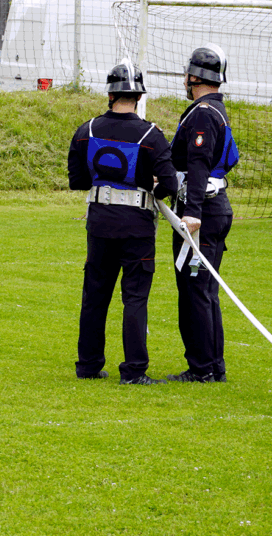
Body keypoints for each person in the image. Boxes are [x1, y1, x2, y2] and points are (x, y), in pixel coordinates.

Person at [67, 62, 179, 385]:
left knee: (95, 295)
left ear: (110, 94)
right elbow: (170, 185)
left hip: (100, 224)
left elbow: (77, 181)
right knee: (135, 297)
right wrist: (152, 188)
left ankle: (88, 365)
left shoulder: (86, 130)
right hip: (137, 227)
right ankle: (133, 371)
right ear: (139, 96)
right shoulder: (151, 135)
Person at [167, 45, 240, 383]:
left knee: (196, 290)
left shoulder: (202, 114)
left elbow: (197, 164)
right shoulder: (216, 111)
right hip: (214, 208)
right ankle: (213, 366)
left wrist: (192, 212)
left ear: (194, 77)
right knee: (205, 290)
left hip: (202, 212)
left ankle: (202, 368)